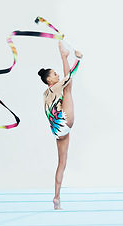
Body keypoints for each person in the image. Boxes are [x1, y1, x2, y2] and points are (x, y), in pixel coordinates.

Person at [38, 41, 82, 210]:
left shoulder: (45, 94)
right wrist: (77, 59)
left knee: (61, 164)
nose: (57, 76)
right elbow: (69, 77)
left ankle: (57, 198)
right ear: (49, 79)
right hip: (64, 122)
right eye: (55, 74)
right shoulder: (56, 87)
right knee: (68, 88)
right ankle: (62, 54)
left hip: (57, 131)